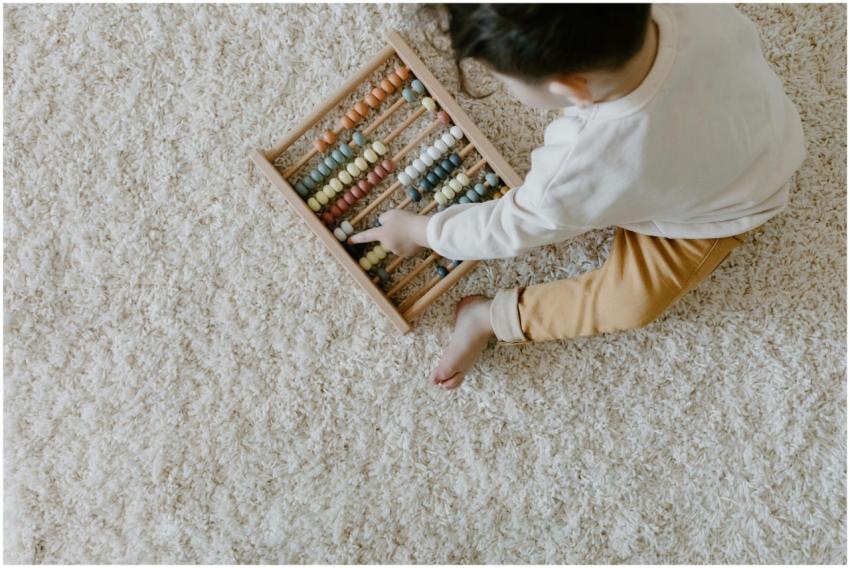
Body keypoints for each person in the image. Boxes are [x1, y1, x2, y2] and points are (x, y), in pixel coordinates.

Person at [350, 4, 806, 390]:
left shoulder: (579, 166)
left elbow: (511, 226)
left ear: (570, 88)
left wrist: (420, 229)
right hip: (762, 128)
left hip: (728, 207)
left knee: (630, 303)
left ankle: (490, 318)